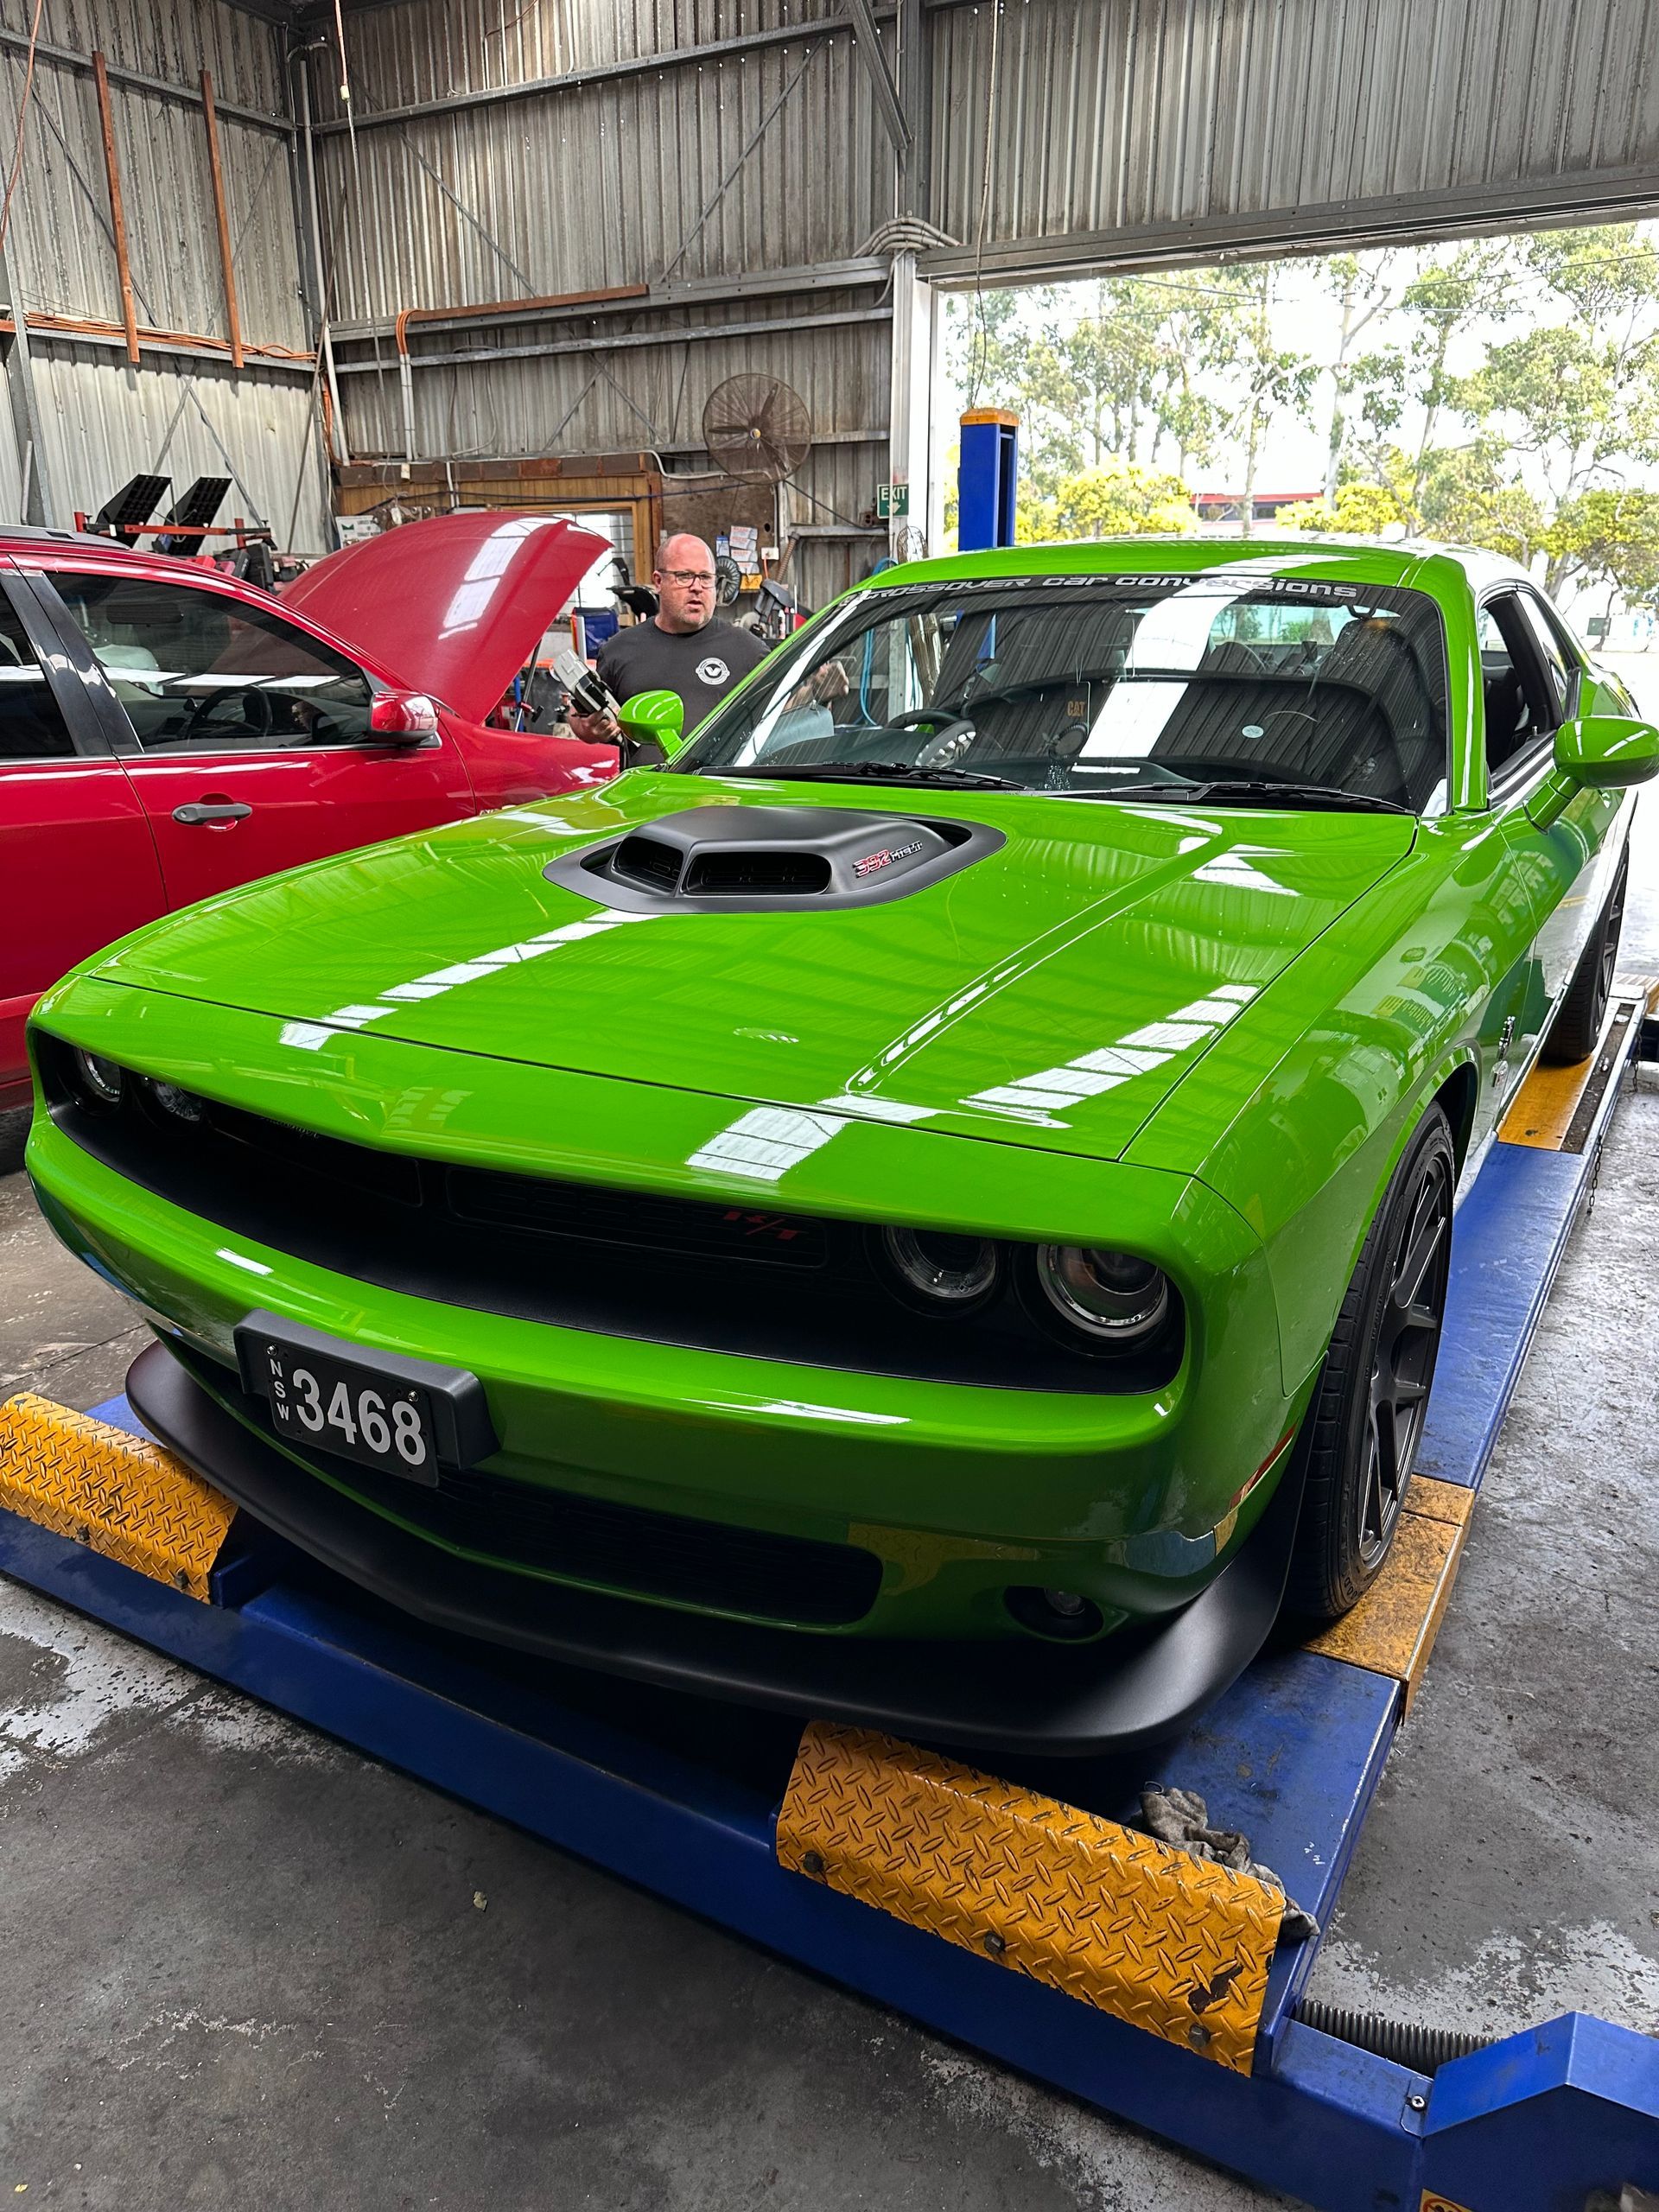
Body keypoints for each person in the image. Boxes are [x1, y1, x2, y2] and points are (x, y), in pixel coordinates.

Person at [566, 533, 770, 746]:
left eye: (706, 577)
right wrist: (588, 727)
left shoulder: (748, 652)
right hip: (645, 780)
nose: (697, 587)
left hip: (717, 780)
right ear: (658, 582)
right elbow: (582, 715)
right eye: (684, 576)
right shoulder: (619, 650)